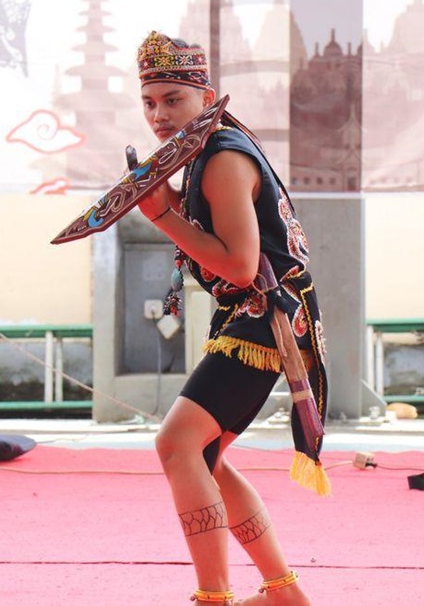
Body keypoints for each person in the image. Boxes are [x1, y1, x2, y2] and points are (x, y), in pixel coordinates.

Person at [135, 31, 329, 605]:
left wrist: (162, 216)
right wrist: (168, 205)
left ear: (206, 96)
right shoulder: (207, 151)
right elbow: (219, 242)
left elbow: (241, 268)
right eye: (149, 102)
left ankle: (213, 597)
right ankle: (283, 593)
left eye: (173, 99)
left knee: (177, 445)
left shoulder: (220, 157)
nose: (159, 114)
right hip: (256, 317)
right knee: (206, 459)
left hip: (263, 318)